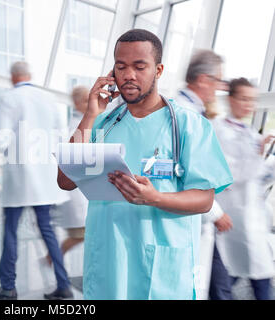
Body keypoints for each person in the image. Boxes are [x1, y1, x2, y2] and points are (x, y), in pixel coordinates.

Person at [57, 29, 233, 300]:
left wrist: (155, 198)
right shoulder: (102, 124)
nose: (129, 75)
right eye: (121, 66)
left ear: (158, 70)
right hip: (108, 265)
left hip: (161, 270)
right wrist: (91, 114)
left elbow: (204, 200)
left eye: (140, 66)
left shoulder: (188, 125)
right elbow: (65, 181)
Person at [0, 61, 72, 300]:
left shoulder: (9, 98)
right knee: (48, 231)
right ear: (29, 74)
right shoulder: (47, 99)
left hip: (20, 177)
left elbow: (1, 139)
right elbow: (60, 136)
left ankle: (7, 287)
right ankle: (64, 285)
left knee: (11, 231)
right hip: (44, 178)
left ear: (13, 77)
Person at [175, 49, 233, 299]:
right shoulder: (187, 115)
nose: (218, 88)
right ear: (203, 80)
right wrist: (216, 212)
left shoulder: (187, 111)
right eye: (218, 81)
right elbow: (188, 173)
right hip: (190, 215)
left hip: (193, 216)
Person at [210, 78, 274, 300]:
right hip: (231, 219)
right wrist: (258, 154)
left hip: (252, 220)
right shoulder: (219, 130)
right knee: (226, 282)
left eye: (252, 100)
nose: (249, 105)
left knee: (260, 279)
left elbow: (258, 176)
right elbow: (231, 176)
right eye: (244, 99)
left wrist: (269, 163)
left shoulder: (248, 132)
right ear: (231, 99)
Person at [47, 86, 89, 265]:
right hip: (77, 194)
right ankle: (53, 259)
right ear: (78, 103)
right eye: (87, 100)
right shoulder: (76, 127)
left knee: (83, 235)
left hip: (83, 194)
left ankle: (53, 259)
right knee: (81, 235)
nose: (90, 104)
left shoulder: (82, 123)